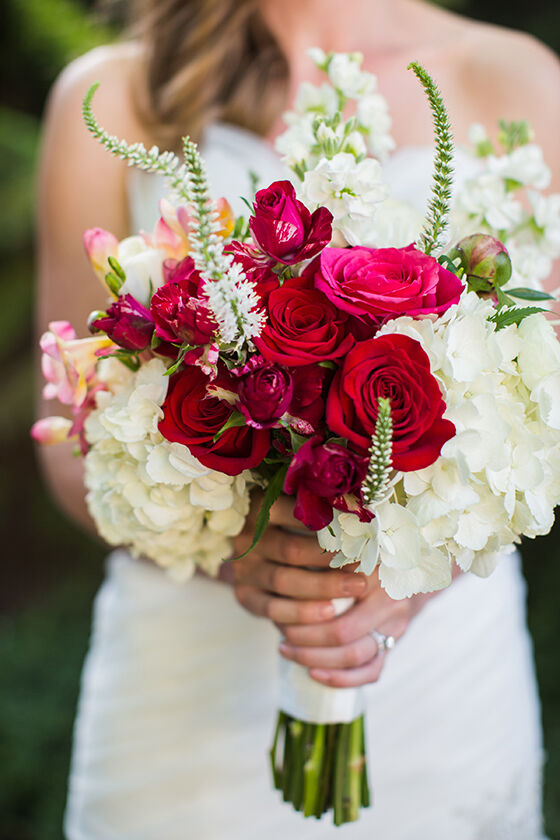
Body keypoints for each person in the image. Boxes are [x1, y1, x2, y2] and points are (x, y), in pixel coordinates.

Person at [36, 1, 560, 837]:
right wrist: (241, 561)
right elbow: (68, 440)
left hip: (443, 686)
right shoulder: (116, 95)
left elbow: (543, 408)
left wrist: (408, 582)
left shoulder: (521, 79)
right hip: (181, 701)